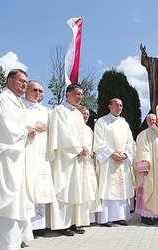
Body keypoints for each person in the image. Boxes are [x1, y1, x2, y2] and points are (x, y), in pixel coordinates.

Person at [0, 69, 37, 249]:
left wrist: (29, 131)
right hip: (5, 160)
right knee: (3, 201)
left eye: (25, 82)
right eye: (21, 81)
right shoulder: (1, 100)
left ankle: (13, 242)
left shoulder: (19, 103)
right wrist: (26, 131)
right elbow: (1, 129)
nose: (24, 84)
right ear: (9, 81)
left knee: (17, 203)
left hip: (19, 159)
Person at [48, 84, 95, 236]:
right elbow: (62, 134)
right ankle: (62, 224)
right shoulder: (59, 110)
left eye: (81, 94)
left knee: (77, 189)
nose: (80, 97)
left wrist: (86, 147)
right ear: (68, 94)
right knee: (65, 188)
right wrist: (77, 148)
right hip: (65, 158)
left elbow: (85, 134)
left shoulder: (77, 113)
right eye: (77, 94)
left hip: (79, 159)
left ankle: (74, 222)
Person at [94, 98, 135, 227]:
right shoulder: (102, 121)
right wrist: (112, 154)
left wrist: (125, 154)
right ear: (110, 107)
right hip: (108, 161)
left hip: (122, 162)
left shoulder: (124, 124)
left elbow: (130, 142)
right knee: (108, 188)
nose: (119, 107)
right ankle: (106, 218)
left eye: (121, 105)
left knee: (121, 189)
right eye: (116, 105)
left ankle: (120, 216)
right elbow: (99, 142)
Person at [22, 80, 55, 238]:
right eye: (34, 90)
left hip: (43, 156)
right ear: (26, 90)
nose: (38, 93)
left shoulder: (46, 111)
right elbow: (14, 124)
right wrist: (33, 125)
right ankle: (27, 226)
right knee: (28, 187)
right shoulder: (20, 107)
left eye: (41, 91)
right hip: (27, 154)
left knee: (40, 187)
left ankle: (39, 225)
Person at [78, 106, 101, 225]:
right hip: (78, 161)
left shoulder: (89, 130)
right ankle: (79, 218)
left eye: (87, 114)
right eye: (83, 113)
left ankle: (90, 218)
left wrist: (92, 152)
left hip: (88, 162)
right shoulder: (74, 127)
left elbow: (94, 145)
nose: (85, 116)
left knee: (90, 188)